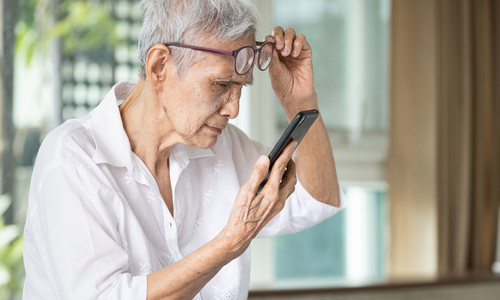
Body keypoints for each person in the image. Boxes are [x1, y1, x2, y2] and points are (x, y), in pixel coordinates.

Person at [22, 0, 347, 299]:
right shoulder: (72, 159)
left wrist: (300, 101)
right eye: (220, 85)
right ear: (159, 66)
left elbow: (317, 197)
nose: (233, 109)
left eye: (241, 87)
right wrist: (231, 242)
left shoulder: (224, 146)